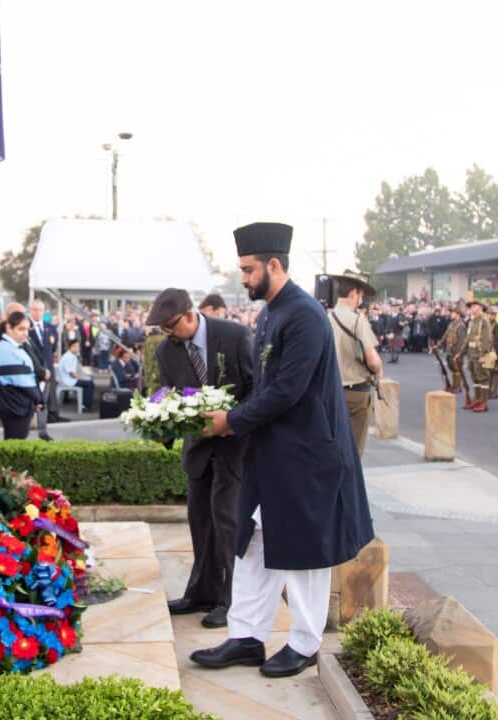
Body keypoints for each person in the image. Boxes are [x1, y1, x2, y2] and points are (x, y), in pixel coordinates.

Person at [194, 222, 373, 678]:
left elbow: (288, 390)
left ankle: (305, 642)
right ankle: (247, 636)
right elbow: (264, 386)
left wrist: (230, 422)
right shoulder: (271, 312)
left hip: (307, 457)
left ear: (275, 265)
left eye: (249, 270)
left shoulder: (306, 315)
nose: (245, 279)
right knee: (253, 544)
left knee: (304, 553)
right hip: (273, 453)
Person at [148, 288, 254, 630]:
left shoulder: (235, 335)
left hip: (233, 444)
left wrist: (232, 420)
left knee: (227, 522)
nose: (167, 334)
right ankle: (201, 591)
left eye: (170, 326)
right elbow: (171, 394)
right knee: (199, 520)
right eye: (163, 329)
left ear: (190, 315)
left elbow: (256, 388)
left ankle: (230, 598)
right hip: (197, 448)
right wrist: (159, 420)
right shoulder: (167, 350)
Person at [328, 270, 383, 456]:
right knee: (353, 453)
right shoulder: (357, 320)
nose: (362, 299)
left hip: (330, 392)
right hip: (356, 393)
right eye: (361, 295)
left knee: (334, 449)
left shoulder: (325, 318)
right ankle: (350, 486)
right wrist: (379, 372)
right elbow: (373, 361)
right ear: (353, 293)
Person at [0, 310, 43, 439]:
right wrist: (38, 399)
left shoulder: (11, 346)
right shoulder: (7, 349)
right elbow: (23, 381)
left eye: (27, 329)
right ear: (9, 328)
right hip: (15, 406)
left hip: (16, 405)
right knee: (15, 444)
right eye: (21, 329)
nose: (25, 333)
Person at [464, 301, 493, 412]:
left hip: (480, 353)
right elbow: (468, 338)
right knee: (475, 377)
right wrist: (461, 352)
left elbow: (486, 340)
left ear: (480, 307)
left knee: (483, 378)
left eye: (474, 306)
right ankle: (477, 398)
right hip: (472, 353)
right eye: (471, 307)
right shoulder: (472, 321)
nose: (471, 308)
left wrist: (483, 355)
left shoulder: (484, 321)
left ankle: (484, 402)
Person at [56, 339, 95, 412]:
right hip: (68, 381)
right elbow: (71, 373)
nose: (78, 348)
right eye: (77, 347)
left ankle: (84, 403)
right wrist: (81, 378)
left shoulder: (71, 356)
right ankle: (85, 406)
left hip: (69, 379)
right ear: (72, 347)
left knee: (87, 381)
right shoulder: (68, 357)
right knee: (89, 383)